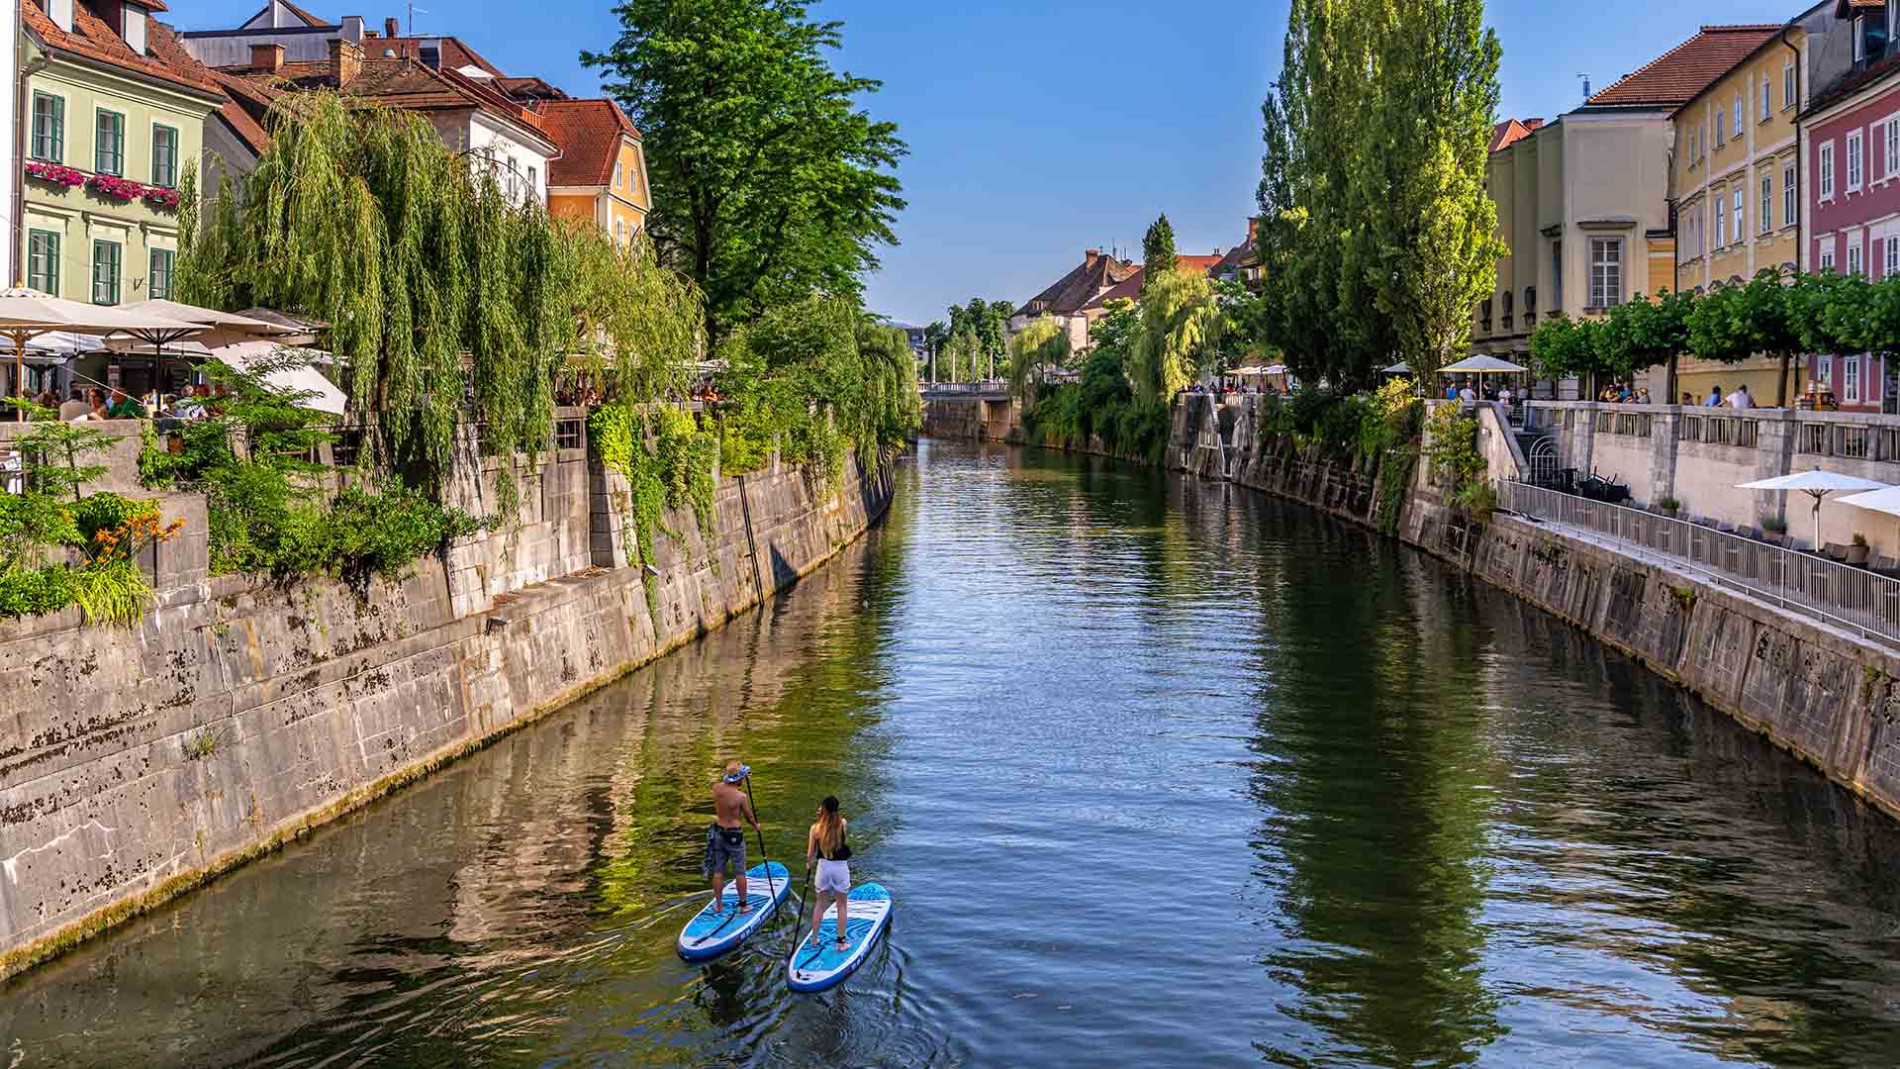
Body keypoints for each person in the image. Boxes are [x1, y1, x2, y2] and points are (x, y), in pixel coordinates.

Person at [703, 761, 762, 915]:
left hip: (718, 833)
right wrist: (756, 826)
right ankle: (743, 906)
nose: (743, 780)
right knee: (740, 871)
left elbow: (725, 783)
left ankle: (719, 905)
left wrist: (735, 776)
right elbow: (748, 816)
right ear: (738, 779)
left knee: (719, 870)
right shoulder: (741, 796)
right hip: (734, 835)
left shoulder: (716, 789)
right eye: (742, 777)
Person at [805, 795, 854, 951]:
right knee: (841, 906)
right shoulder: (843, 824)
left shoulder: (815, 829)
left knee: (820, 905)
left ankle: (814, 939)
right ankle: (841, 943)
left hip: (823, 867)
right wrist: (825, 814)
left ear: (823, 809)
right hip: (840, 868)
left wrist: (808, 864)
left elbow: (809, 855)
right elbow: (835, 829)